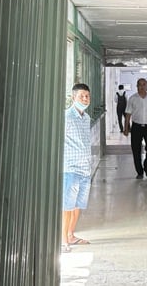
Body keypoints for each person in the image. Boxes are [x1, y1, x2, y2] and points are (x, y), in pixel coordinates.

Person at [62, 83, 93, 253]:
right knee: (67, 206)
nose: (85, 99)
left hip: (84, 168)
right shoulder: (65, 117)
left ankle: (71, 235)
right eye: (81, 96)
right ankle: (63, 240)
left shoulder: (86, 118)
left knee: (77, 206)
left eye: (87, 96)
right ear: (73, 98)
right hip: (70, 167)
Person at [124, 78, 147, 179]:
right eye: (140, 85)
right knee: (136, 149)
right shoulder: (132, 98)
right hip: (136, 127)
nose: (142, 86)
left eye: (144, 84)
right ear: (137, 86)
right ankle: (139, 172)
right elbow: (128, 114)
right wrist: (126, 127)